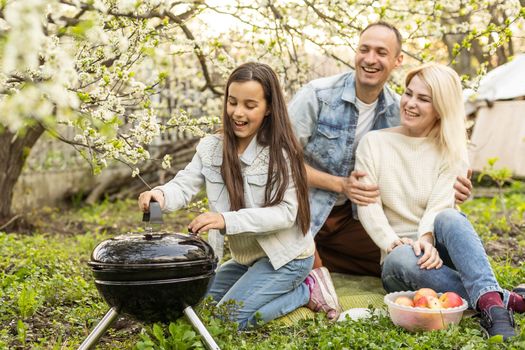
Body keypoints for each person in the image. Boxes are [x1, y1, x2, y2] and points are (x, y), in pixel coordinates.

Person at [138, 62, 339, 329]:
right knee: (195, 314)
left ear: (268, 108)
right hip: (247, 260)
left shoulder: (281, 155)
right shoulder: (212, 147)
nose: (237, 113)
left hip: (287, 259)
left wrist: (226, 220)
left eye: (249, 105)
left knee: (226, 320)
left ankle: (308, 290)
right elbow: (184, 184)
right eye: (232, 102)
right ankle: (263, 285)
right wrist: (160, 194)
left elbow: (286, 214)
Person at [288, 21, 472, 277]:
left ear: (398, 60)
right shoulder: (317, 96)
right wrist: (340, 184)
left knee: (406, 260)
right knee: (297, 266)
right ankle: (308, 259)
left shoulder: (400, 110)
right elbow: (277, 161)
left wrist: (455, 187)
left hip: (351, 218)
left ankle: (485, 294)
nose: (370, 59)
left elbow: (437, 151)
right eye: (364, 49)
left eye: (381, 52)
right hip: (303, 209)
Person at [355, 63, 523, 340]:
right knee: (401, 259)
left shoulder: (453, 149)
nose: (410, 103)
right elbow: (367, 204)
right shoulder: (373, 144)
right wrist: (393, 242)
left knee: (451, 217)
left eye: (423, 99)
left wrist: (427, 238)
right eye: (408, 93)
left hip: (440, 251)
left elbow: (440, 206)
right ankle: (504, 301)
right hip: (402, 258)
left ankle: (492, 306)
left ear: (440, 108)